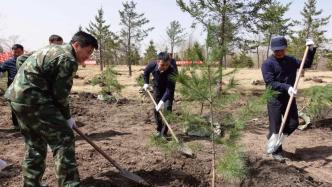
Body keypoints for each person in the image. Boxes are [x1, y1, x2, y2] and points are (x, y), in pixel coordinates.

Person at [4, 31, 98, 186]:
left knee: (35, 144)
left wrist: (25, 80)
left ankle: (31, 184)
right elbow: (60, 95)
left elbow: (21, 58)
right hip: (35, 101)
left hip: (16, 98)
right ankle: (69, 184)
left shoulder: (50, 48)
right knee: (64, 139)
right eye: (87, 52)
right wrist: (67, 117)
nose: (88, 57)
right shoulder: (69, 59)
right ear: (76, 45)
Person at [261, 36, 316, 161]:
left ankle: (274, 137)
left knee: (293, 123)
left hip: (289, 98)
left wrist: (311, 49)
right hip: (274, 98)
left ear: (285, 48)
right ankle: (276, 151)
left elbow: (305, 64)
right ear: (272, 50)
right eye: (276, 51)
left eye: (281, 50)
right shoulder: (267, 64)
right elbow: (270, 83)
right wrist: (287, 87)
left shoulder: (290, 60)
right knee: (276, 126)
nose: (279, 52)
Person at [143, 52, 176, 137]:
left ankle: (164, 133)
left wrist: (162, 102)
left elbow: (169, 89)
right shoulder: (152, 64)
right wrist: (146, 83)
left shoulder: (172, 71)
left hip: (168, 88)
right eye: (162, 65)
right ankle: (158, 130)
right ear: (158, 62)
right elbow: (146, 72)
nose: (164, 67)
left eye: (167, 65)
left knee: (167, 109)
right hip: (157, 87)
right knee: (156, 109)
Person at [0, 44, 24, 130]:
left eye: (18, 52)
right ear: (12, 52)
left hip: (25, 87)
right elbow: (1, 70)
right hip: (13, 87)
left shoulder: (27, 61)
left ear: (22, 51)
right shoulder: (8, 62)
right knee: (14, 106)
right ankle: (16, 125)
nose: (16, 54)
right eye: (15, 52)